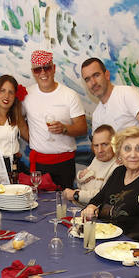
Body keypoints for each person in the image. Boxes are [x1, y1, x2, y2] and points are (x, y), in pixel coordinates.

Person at [80, 126, 139, 240]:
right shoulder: (119, 171)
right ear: (119, 152)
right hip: (103, 234)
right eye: (127, 149)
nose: (133, 154)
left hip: (131, 243)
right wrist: (91, 207)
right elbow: (98, 199)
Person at [22, 50, 87, 189]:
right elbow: (15, 117)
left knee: (65, 204)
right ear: (33, 72)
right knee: (39, 204)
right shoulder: (27, 95)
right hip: (39, 163)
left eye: (47, 67)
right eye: (38, 69)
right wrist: (32, 138)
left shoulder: (70, 95)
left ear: (54, 68)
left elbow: (82, 128)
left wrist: (64, 129)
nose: (43, 73)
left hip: (64, 163)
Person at [81, 57, 139, 132]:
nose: (93, 83)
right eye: (87, 79)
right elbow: (99, 142)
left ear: (107, 75)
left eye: (96, 75)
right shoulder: (96, 116)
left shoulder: (128, 93)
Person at [61, 124, 116, 208]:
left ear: (114, 143)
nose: (100, 150)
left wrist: (76, 194)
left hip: (96, 214)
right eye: (96, 145)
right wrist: (81, 177)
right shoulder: (97, 159)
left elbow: (103, 196)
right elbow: (83, 186)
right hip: (80, 207)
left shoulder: (118, 166)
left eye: (104, 144)